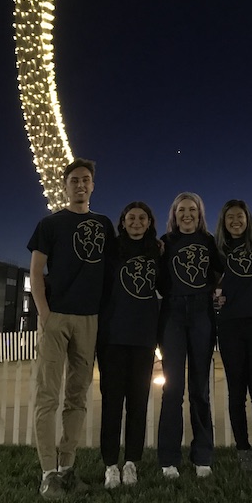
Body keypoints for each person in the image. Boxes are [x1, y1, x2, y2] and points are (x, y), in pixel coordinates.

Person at [28, 158, 114, 500]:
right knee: (46, 395)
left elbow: (117, 264)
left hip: (90, 319)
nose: (80, 185)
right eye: (75, 180)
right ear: (65, 186)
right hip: (57, 317)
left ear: (93, 186)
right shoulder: (50, 224)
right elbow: (36, 271)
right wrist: (45, 314)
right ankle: (48, 473)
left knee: (77, 396)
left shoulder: (105, 224)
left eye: (86, 180)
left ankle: (68, 468)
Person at [156, 192, 223, 478]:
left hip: (201, 315)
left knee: (200, 389)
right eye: (181, 209)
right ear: (174, 214)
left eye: (192, 209)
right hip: (172, 315)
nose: (187, 214)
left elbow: (223, 274)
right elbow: (155, 277)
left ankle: (202, 455)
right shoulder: (165, 243)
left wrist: (219, 294)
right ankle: (169, 458)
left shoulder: (209, 242)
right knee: (172, 389)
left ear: (199, 213)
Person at [97, 201, 161, 488]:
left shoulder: (157, 251)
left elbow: (170, 287)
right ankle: (111, 464)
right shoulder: (110, 250)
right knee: (112, 403)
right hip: (112, 337)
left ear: (149, 222)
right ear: (122, 222)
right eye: (131, 218)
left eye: (142, 218)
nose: (136, 222)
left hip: (143, 338)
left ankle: (132, 462)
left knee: (138, 403)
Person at [214, 200, 252, 475]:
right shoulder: (218, 248)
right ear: (224, 222)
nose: (235, 221)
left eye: (240, 216)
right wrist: (213, 298)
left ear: (247, 219)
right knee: (236, 392)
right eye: (230, 217)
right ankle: (243, 450)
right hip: (229, 326)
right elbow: (206, 280)